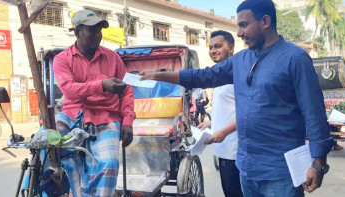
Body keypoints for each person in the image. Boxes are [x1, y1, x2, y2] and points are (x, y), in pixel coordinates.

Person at [140, 0, 334, 196]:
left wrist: (319, 163)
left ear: (265, 21)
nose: (239, 33)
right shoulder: (241, 60)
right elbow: (204, 76)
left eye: (244, 25)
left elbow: (314, 114)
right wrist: (158, 75)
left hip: (281, 173)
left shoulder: (295, 59)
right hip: (246, 168)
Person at [53, 10, 135, 197]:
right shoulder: (62, 59)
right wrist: (102, 85)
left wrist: (128, 121)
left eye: (99, 30)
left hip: (105, 118)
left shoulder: (113, 58)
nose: (98, 34)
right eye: (92, 30)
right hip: (72, 116)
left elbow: (127, 92)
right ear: (78, 32)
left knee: (110, 164)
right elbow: (69, 90)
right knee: (45, 143)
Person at [197, 30, 243, 197]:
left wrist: (223, 132)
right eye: (210, 47)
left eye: (218, 46)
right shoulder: (219, 77)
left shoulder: (237, 75)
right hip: (223, 149)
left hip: (235, 151)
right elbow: (228, 109)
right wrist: (211, 123)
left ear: (231, 48)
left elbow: (248, 114)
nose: (212, 51)